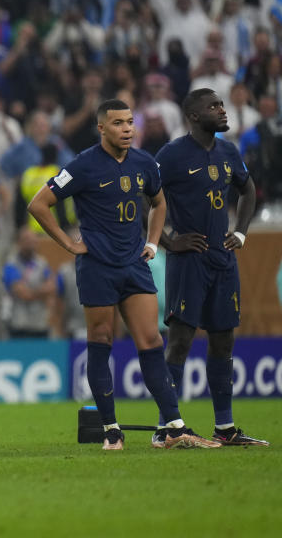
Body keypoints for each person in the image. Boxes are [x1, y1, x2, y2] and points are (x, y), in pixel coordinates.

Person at [27, 98, 220, 451]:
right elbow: (38, 203)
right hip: (98, 266)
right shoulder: (83, 165)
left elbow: (159, 202)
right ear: (101, 127)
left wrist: (152, 241)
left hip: (133, 264)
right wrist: (69, 244)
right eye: (118, 123)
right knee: (101, 342)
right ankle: (111, 430)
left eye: (130, 122)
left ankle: (174, 427)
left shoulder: (145, 163)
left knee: (151, 341)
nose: (127, 128)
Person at [154, 88, 268, 447]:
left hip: (222, 260)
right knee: (181, 342)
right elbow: (144, 197)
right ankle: (166, 428)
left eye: (222, 105)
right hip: (188, 261)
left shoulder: (228, 152)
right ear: (193, 116)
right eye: (213, 106)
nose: (221, 110)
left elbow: (248, 191)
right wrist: (169, 241)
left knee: (223, 342)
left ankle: (225, 428)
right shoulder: (171, 155)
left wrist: (241, 233)